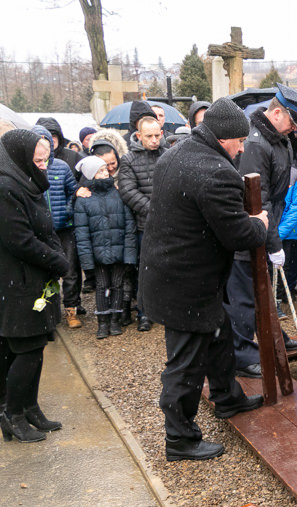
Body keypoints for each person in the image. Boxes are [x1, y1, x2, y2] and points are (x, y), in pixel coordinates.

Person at [140, 97, 269, 462]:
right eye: (240, 141)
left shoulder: (177, 153)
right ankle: (179, 439)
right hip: (186, 284)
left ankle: (228, 398)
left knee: (219, 336)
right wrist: (259, 223)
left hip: (172, 273)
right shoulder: (215, 170)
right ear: (223, 137)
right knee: (185, 362)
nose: (242, 148)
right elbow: (237, 235)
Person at [227, 83, 297, 379]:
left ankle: (274, 335)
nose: (294, 129)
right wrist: (274, 243)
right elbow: (256, 200)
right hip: (249, 229)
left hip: (264, 221)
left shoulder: (276, 138)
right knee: (245, 295)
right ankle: (242, 353)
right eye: (292, 121)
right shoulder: (257, 144)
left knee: (264, 288)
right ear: (276, 113)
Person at [0, 129, 69, 443]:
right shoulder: (6, 188)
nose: (44, 166)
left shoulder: (26, 183)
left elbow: (43, 228)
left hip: (35, 279)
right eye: (38, 161)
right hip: (20, 284)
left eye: (45, 160)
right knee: (26, 351)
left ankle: (31, 407)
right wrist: (57, 261)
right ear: (21, 160)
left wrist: (55, 255)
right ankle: (13, 414)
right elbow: (20, 241)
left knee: (36, 348)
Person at [73, 156, 136, 339]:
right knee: (102, 286)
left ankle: (115, 319)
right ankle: (102, 322)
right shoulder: (84, 199)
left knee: (116, 285)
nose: (106, 172)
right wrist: (87, 259)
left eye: (105, 169)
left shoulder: (118, 194)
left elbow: (128, 225)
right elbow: (82, 233)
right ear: (92, 175)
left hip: (118, 250)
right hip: (98, 252)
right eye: (100, 170)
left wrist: (129, 254)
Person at [31, 124, 83, 329]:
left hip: (64, 228)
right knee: (46, 273)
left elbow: (74, 190)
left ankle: (71, 309)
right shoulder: (29, 169)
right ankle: (48, 313)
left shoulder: (61, 167)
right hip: (40, 231)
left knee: (70, 270)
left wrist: (70, 209)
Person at [118, 114, 165, 332]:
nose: (154, 140)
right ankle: (145, 313)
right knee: (144, 271)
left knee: (168, 269)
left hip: (169, 223)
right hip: (143, 225)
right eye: (149, 136)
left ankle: (166, 310)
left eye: (157, 135)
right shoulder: (128, 160)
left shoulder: (169, 154)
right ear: (139, 136)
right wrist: (154, 210)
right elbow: (128, 191)